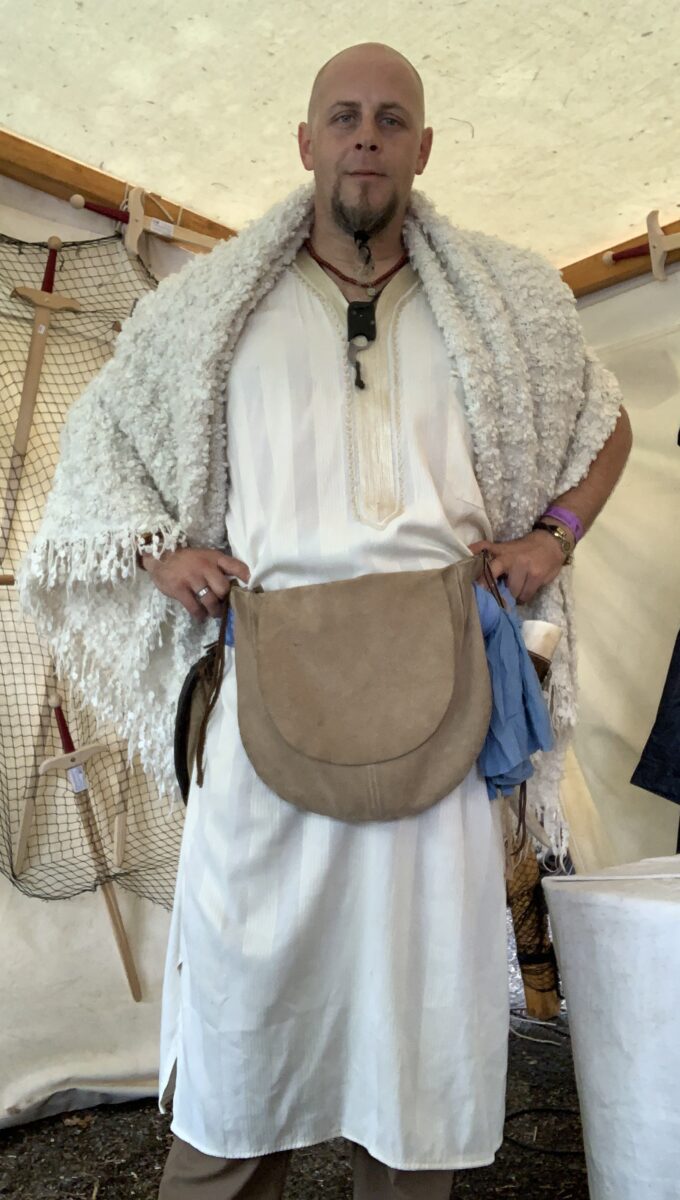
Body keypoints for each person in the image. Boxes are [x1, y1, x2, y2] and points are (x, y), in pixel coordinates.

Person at [20, 42, 632, 1200]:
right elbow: (99, 450)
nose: (365, 136)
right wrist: (160, 552)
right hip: (267, 702)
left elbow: (604, 424)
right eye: (343, 116)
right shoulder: (205, 314)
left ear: (421, 148)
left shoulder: (501, 310)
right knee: (246, 1015)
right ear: (304, 141)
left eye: (390, 119)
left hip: (438, 699)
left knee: (421, 1022)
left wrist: (552, 534)